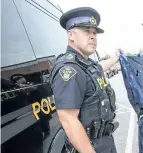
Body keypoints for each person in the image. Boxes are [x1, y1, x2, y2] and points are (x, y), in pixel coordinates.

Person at [49, 7, 120, 153]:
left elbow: (100, 67)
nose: (93, 36)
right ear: (71, 35)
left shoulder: (87, 64)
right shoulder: (69, 69)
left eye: (94, 32)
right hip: (89, 146)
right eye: (86, 31)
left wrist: (116, 58)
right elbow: (68, 119)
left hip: (104, 142)